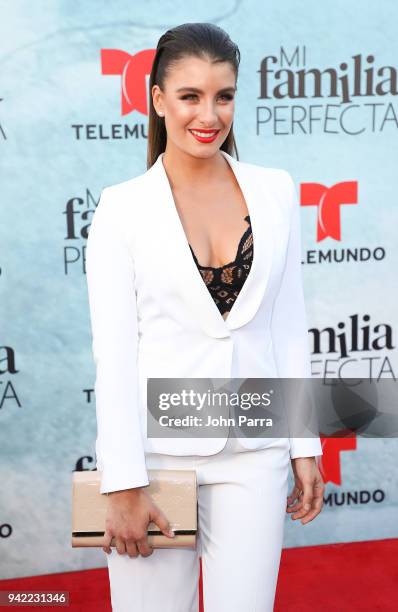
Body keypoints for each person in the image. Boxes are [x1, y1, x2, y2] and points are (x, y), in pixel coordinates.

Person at [85, 22, 325, 612]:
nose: (209, 114)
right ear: (158, 99)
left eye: (224, 96)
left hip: (255, 452)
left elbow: (287, 325)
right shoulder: (122, 208)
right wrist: (121, 483)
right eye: (191, 96)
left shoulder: (275, 191)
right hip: (157, 459)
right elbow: (114, 355)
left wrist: (303, 444)